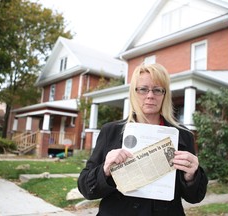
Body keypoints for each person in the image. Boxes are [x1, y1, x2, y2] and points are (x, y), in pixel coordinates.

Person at [78, 63, 208, 216]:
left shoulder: (183, 135)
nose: (150, 95)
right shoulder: (111, 132)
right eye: (143, 89)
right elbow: (86, 188)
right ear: (134, 92)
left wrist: (192, 176)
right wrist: (105, 170)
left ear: (165, 95)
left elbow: (195, 197)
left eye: (157, 90)